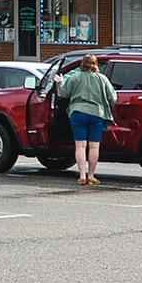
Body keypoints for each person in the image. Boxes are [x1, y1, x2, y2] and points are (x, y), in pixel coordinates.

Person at [56, 54, 117, 186]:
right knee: (94, 146)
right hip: (97, 114)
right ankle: (91, 176)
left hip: (78, 113)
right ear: (95, 64)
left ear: (82, 64)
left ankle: (82, 176)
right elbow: (113, 97)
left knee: (80, 146)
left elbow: (64, 93)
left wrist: (59, 81)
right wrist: (108, 106)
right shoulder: (102, 78)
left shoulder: (75, 77)